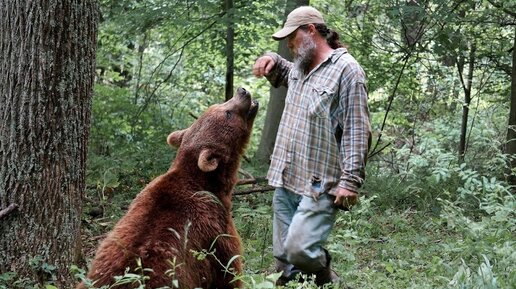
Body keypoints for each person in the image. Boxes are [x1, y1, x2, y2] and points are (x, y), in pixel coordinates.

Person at [252, 6, 371, 287]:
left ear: (311, 31)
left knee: (299, 251)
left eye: (292, 38)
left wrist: (350, 182)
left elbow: (357, 128)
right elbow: (284, 70)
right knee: (283, 255)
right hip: (288, 175)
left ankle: (327, 276)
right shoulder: (301, 67)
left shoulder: (348, 71)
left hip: (319, 182)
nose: (289, 45)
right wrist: (268, 58)